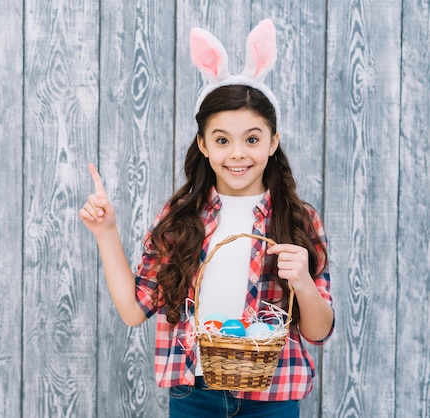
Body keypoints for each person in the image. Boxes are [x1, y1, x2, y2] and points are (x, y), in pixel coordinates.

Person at [79, 18, 334, 418]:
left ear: (273, 142)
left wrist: (302, 281)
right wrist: (106, 232)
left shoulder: (299, 219)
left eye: (252, 138)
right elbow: (133, 311)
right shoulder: (182, 219)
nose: (237, 153)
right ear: (203, 144)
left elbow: (318, 331)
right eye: (221, 140)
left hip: (273, 397)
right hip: (194, 396)